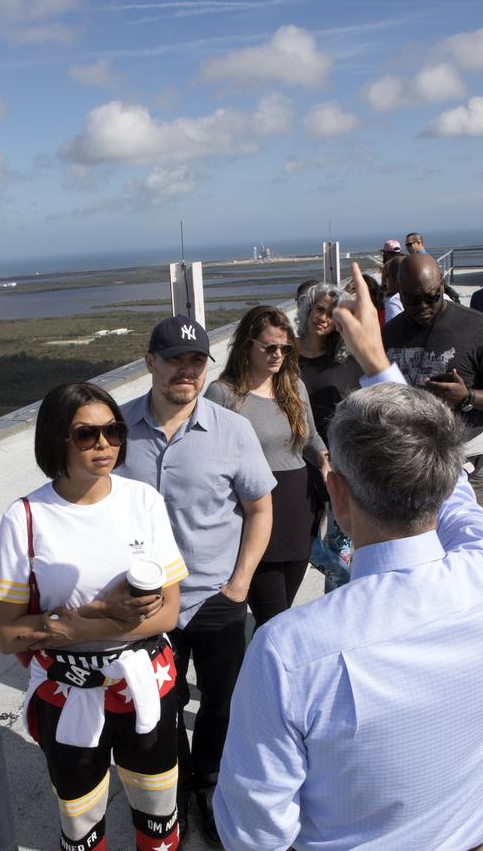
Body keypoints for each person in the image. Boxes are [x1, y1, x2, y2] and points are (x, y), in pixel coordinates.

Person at [213, 273, 483, 851]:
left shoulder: (290, 653)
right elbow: (455, 494)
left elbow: (253, 832)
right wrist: (377, 361)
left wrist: (372, 359)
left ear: (337, 494)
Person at [0, 382, 189, 851]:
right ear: (57, 439)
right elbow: (6, 633)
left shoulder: (143, 501)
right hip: (68, 692)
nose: (104, 444)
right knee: (81, 825)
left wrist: (73, 626)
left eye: (113, 431)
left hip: (146, 685)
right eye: (86, 434)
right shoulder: (26, 518)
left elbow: (169, 614)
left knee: (159, 817)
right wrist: (97, 618)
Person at [117, 315, 275, 844]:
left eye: (196, 361)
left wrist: (239, 585)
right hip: (144, 603)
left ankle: (209, 783)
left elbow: (259, 510)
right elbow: (81, 499)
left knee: (221, 702)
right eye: (174, 359)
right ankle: (175, 788)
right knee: (157, 707)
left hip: (214, 598)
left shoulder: (233, 431)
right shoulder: (116, 430)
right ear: (149, 363)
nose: (186, 371)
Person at [207, 305, 329, 628]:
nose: (279, 355)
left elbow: (311, 438)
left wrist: (325, 460)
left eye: (285, 348)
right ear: (248, 345)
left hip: (300, 512)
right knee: (274, 620)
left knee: (281, 613)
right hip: (256, 515)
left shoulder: (294, 387)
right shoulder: (223, 394)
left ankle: (262, 672)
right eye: (270, 347)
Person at [382, 254, 483, 514]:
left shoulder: (478, 328)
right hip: (409, 469)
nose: (424, 306)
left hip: (466, 466)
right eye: (414, 300)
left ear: (442, 287)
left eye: (432, 297)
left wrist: (467, 396)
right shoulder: (389, 334)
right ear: (399, 294)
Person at [296, 280, 364, 585]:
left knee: (342, 548)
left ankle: (337, 602)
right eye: (319, 309)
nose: (323, 318)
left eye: (332, 313)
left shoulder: (350, 361)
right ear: (308, 310)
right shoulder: (284, 356)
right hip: (294, 461)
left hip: (341, 464)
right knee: (300, 539)